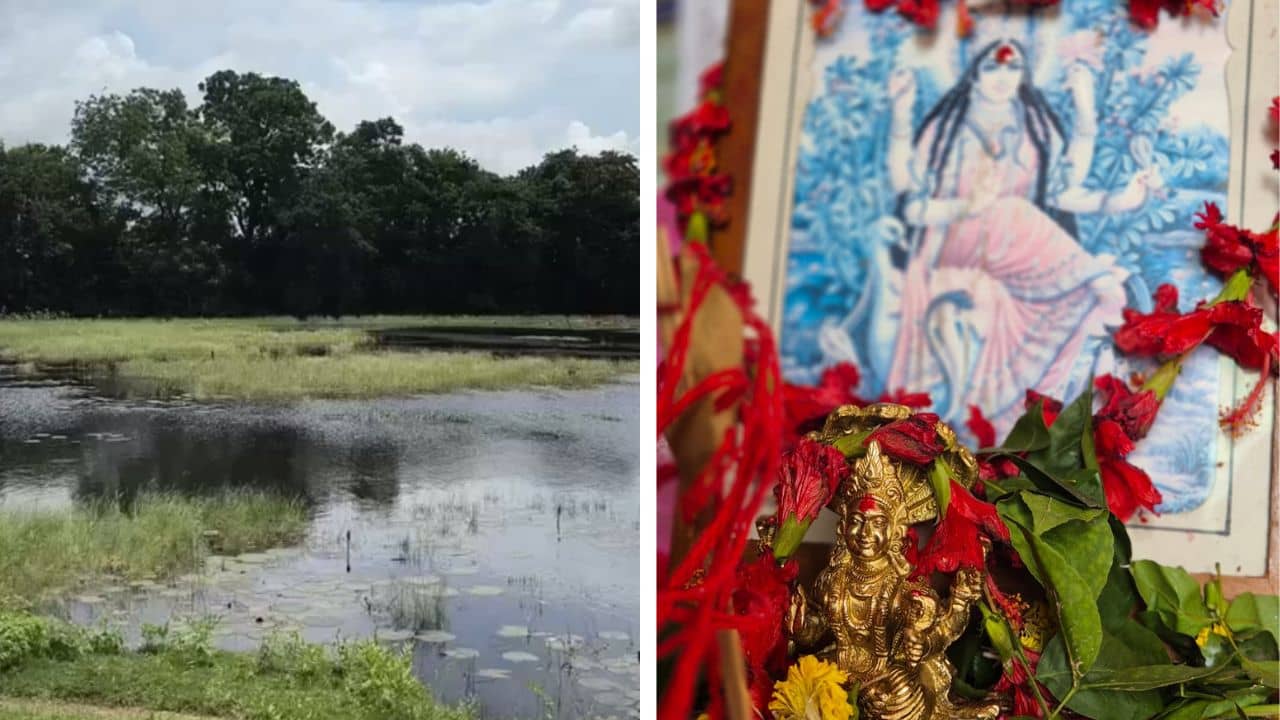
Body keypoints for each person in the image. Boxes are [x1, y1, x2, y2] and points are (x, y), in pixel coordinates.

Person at [881, 39, 1160, 427]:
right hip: (953, 243)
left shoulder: (1035, 126)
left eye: (1012, 69)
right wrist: (902, 115)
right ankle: (1093, 277)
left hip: (1014, 249)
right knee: (1012, 209)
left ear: (1024, 76)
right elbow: (912, 204)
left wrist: (1122, 197)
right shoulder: (947, 131)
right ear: (973, 75)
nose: (1002, 78)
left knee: (1015, 212)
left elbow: (1063, 192)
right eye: (992, 68)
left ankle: (1039, 398)